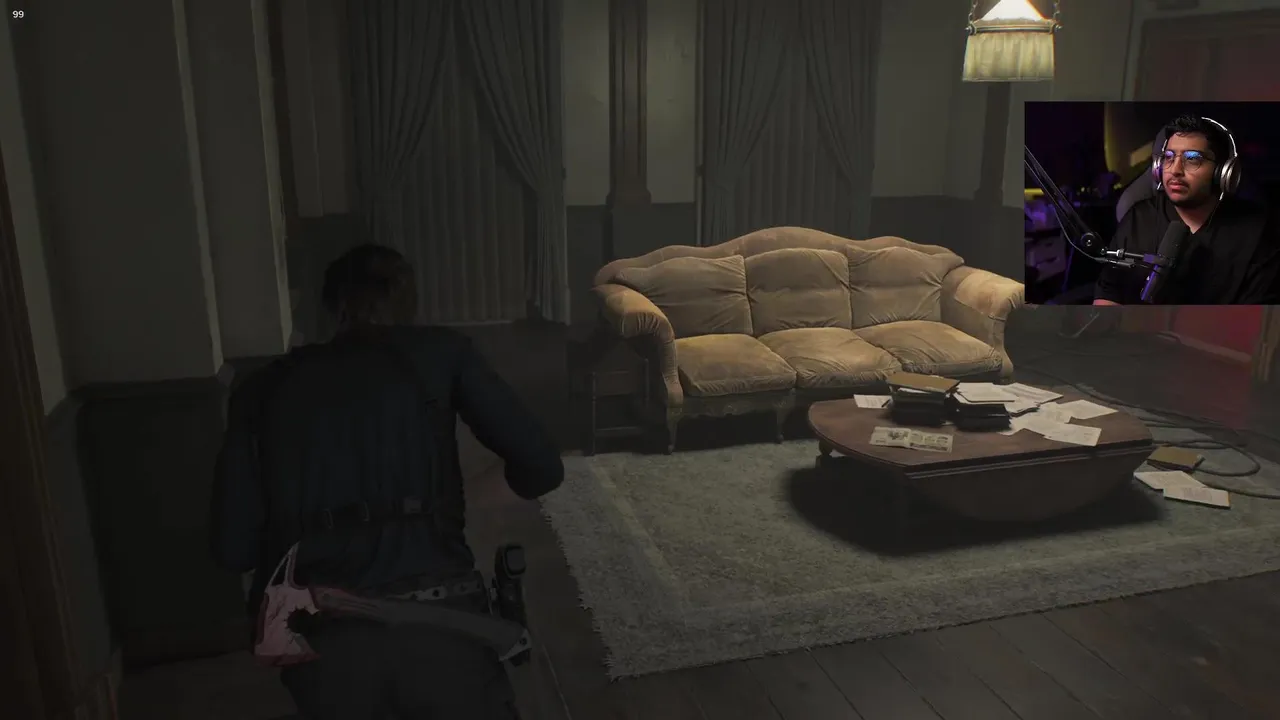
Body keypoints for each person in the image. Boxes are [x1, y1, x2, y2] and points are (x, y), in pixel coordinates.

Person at [209, 244, 564, 719]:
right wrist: (453, 500)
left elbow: (233, 550)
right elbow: (541, 467)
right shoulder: (442, 355)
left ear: (331, 308)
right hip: (445, 626)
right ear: (409, 306)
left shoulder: (260, 389)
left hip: (324, 644)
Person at [1094, 115, 1280, 305]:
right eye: (1168, 157)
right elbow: (1108, 295)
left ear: (1223, 172)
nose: (1175, 170)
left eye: (1192, 159)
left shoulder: (1257, 232)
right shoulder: (1138, 218)